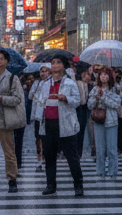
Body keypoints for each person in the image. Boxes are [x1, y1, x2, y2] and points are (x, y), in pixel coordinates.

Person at [34, 55, 85, 197]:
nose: (55, 65)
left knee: (71, 156)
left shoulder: (69, 83)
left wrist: (65, 98)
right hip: (48, 123)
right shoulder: (45, 83)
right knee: (49, 156)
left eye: (57, 63)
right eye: (53, 63)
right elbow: (38, 99)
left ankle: (78, 184)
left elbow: (77, 101)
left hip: (65, 123)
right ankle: (51, 185)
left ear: (63, 66)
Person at [88, 65, 122, 178]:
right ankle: (100, 170)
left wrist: (104, 98)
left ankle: (112, 171)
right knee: (100, 148)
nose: (103, 77)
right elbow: (89, 105)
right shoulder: (95, 88)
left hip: (112, 121)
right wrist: (96, 98)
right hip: (98, 120)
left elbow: (117, 104)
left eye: (105, 74)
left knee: (112, 148)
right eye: (101, 75)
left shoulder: (116, 88)